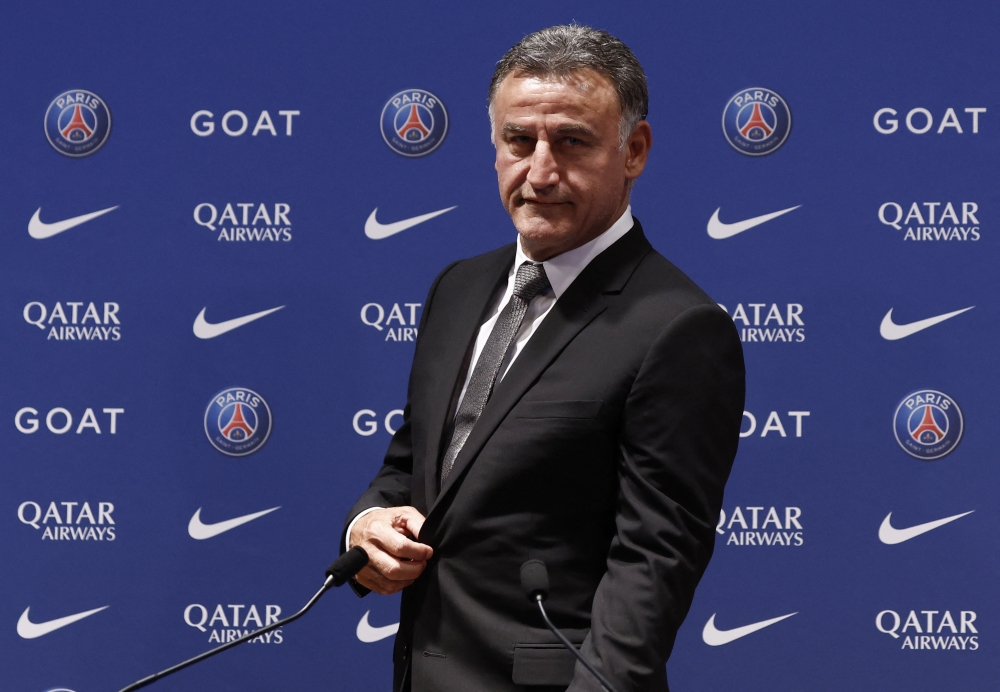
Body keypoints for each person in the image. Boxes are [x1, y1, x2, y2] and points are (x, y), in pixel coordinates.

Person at [343, 24, 745, 692]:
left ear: (634, 150)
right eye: (518, 141)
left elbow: (652, 565)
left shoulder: (679, 327)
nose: (540, 171)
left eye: (571, 142)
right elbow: (411, 466)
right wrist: (370, 523)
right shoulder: (458, 287)